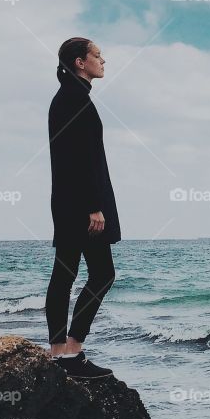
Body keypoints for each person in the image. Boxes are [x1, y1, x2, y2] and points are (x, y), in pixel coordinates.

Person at [45, 37, 120, 379]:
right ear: (79, 62)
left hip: (68, 201)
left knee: (66, 274)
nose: (103, 61)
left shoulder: (70, 97)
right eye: (97, 55)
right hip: (81, 204)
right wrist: (94, 206)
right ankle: (71, 351)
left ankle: (60, 352)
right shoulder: (73, 99)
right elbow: (78, 158)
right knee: (101, 273)